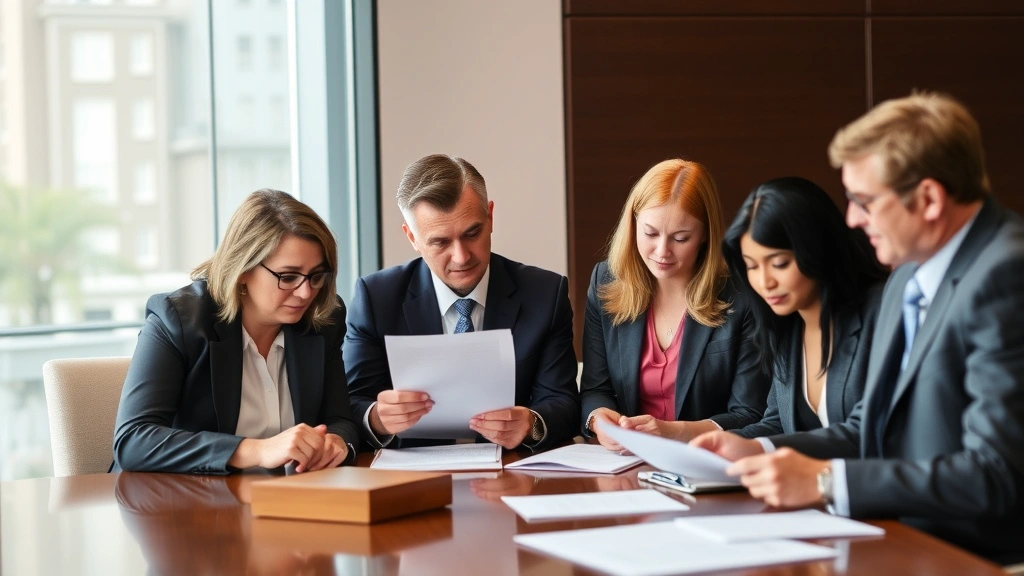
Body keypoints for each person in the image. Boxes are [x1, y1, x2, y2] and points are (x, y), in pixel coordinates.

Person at [692, 92, 1024, 563]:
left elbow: (996, 475)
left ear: (928, 198)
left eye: (865, 201)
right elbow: (868, 430)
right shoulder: (907, 274)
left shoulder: (1006, 275)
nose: (852, 218)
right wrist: (759, 449)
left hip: (971, 557)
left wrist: (827, 481)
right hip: (893, 536)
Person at [113, 189, 359, 474]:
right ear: (243, 270)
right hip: (180, 502)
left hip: (284, 498)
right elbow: (133, 440)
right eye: (288, 277)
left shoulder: (324, 318)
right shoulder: (178, 319)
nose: (306, 293)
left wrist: (338, 443)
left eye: (316, 276)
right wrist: (258, 450)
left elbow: (341, 419)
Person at [344, 154, 579, 450]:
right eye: (440, 242)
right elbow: (351, 403)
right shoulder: (376, 298)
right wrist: (377, 418)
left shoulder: (545, 293)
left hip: (509, 470)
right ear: (412, 238)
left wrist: (530, 424)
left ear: (490, 216)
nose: (461, 256)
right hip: (410, 478)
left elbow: (564, 402)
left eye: (472, 233)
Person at [579, 159, 769, 451]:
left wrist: (676, 432)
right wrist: (599, 421)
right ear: (632, 224)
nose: (662, 251)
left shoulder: (741, 294)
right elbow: (596, 389)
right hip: (627, 463)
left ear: (706, 234)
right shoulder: (604, 281)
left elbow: (749, 413)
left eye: (681, 238)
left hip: (706, 461)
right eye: (651, 233)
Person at [723, 177, 887, 438]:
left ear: (816, 250)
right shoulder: (786, 326)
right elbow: (777, 424)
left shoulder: (880, 312)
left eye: (779, 263)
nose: (765, 282)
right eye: (752, 266)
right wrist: (711, 447)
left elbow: (868, 433)